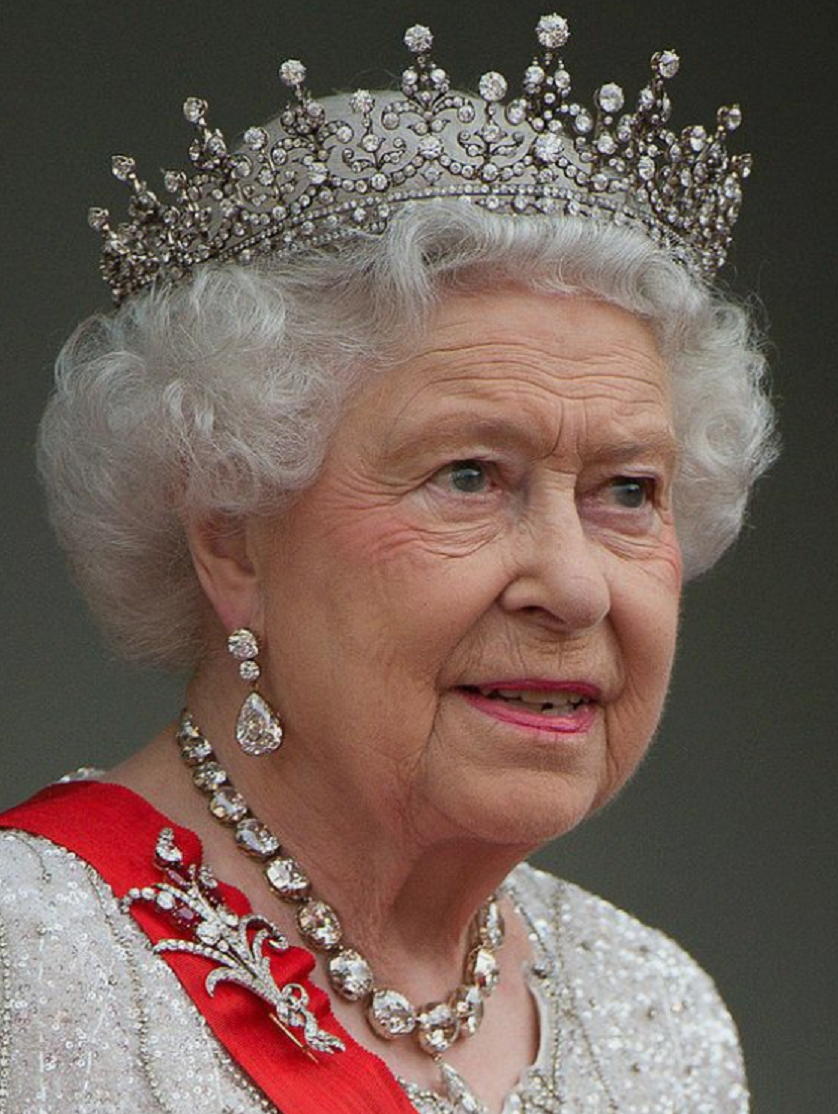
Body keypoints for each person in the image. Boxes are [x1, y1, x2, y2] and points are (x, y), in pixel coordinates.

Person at [0, 14, 775, 1114]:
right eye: (469, 474)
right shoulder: (26, 976)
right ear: (229, 530)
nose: (575, 583)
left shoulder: (655, 1011)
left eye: (627, 491)